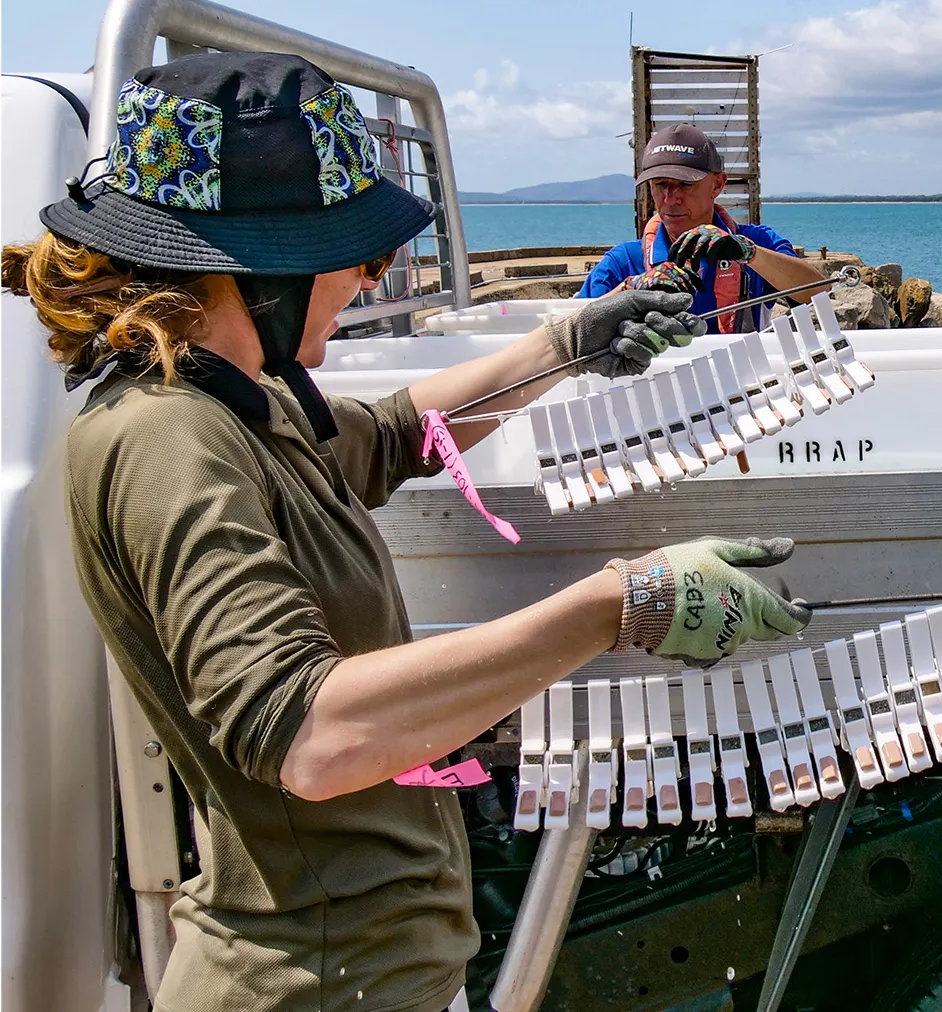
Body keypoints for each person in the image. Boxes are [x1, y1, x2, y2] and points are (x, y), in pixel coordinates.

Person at [4, 52, 812, 1012]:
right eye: (359, 255)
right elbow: (310, 732)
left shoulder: (238, 402)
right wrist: (618, 604)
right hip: (315, 983)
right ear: (258, 265)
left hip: (368, 969)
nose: (366, 278)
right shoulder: (168, 439)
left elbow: (396, 435)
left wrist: (568, 344)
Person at [577, 123, 822, 333]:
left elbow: (818, 292)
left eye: (685, 184)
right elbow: (575, 329)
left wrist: (749, 253)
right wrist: (630, 290)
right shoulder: (624, 261)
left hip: (742, 373)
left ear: (717, 185)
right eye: (660, 184)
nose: (670, 198)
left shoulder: (758, 242)